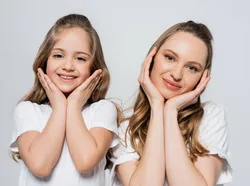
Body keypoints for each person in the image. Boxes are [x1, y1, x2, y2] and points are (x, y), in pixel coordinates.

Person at [109, 21, 232, 186]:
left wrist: (171, 111)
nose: (176, 74)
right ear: (151, 59)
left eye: (192, 68)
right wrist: (157, 105)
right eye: (170, 58)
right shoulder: (125, 128)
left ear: (202, 78)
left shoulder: (210, 116)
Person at [9, 14, 120, 186]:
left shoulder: (103, 110)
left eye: (80, 58)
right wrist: (60, 107)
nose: (68, 66)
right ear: (45, 60)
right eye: (58, 55)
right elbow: (40, 165)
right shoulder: (27, 110)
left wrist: (74, 107)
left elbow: (85, 161)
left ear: (94, 68)